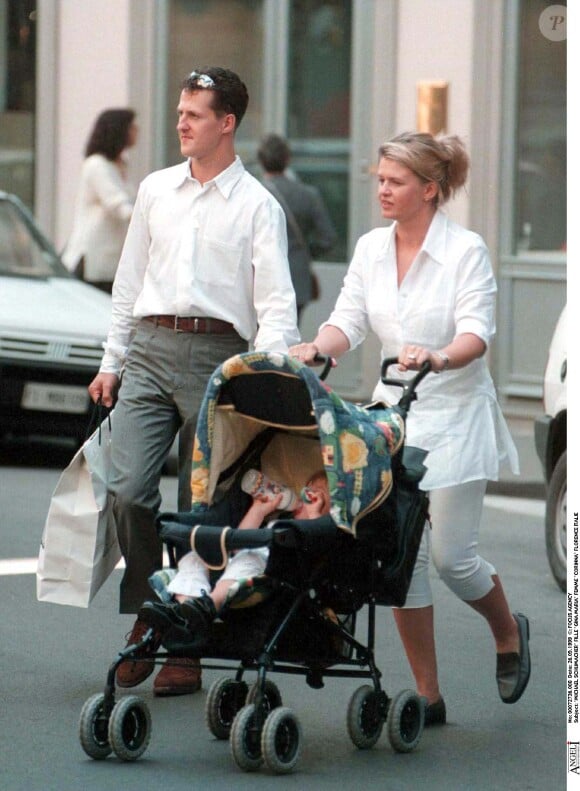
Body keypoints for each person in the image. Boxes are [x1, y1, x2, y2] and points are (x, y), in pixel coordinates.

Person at [290, 132, 530, 725]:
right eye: (379, 180)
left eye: (394, 182)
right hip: (392, 419)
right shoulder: (372, 248)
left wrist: (440, 355)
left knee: (453, 557)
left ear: (429, 188)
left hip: (454, 414)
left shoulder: (465, 250)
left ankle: (508, 633)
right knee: (398, 557)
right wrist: (315, 347)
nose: (382, 190)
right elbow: (346, 320)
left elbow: (477, 333)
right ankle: (428, 694)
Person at [88, 67, 299, 697]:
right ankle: (150, 612)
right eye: (180, 111)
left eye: (195, 114)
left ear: (227, 123)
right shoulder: (155, 191)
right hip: (150, 351)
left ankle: (185, 644)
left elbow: (277, 307)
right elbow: (128, 284)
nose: (180, 122)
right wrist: (111, 361)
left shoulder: (259, 207)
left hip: (223, 359)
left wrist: (268, 382)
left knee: (203, 508)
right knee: (128, 489)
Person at [138, 471, 331, 642]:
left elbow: (312, 550)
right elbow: (239, 544)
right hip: (233, 565)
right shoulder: (278, 522)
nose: (305, 498)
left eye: (313, 497)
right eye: (306, 490)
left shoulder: (314, 533)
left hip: (265, 578)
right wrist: (258, 510)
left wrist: (315, 518)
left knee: (248, 558)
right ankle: (184, 609)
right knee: (194, 557)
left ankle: (210, 604)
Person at [257, 133, 337, 320]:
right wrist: (305, 252)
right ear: (287, 159)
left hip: (260, 277)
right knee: (289, 338)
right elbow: (328, 238)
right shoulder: (308, 194)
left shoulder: (254, 194)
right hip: (296, 277)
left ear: (261, 160)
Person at [63, 108, 138, 292]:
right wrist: (149, 217)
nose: (137, 132)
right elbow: (117, 204)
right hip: (94, 260)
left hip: (111, 259)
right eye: (132, 127)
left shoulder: (119, 165)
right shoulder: (97, 165)